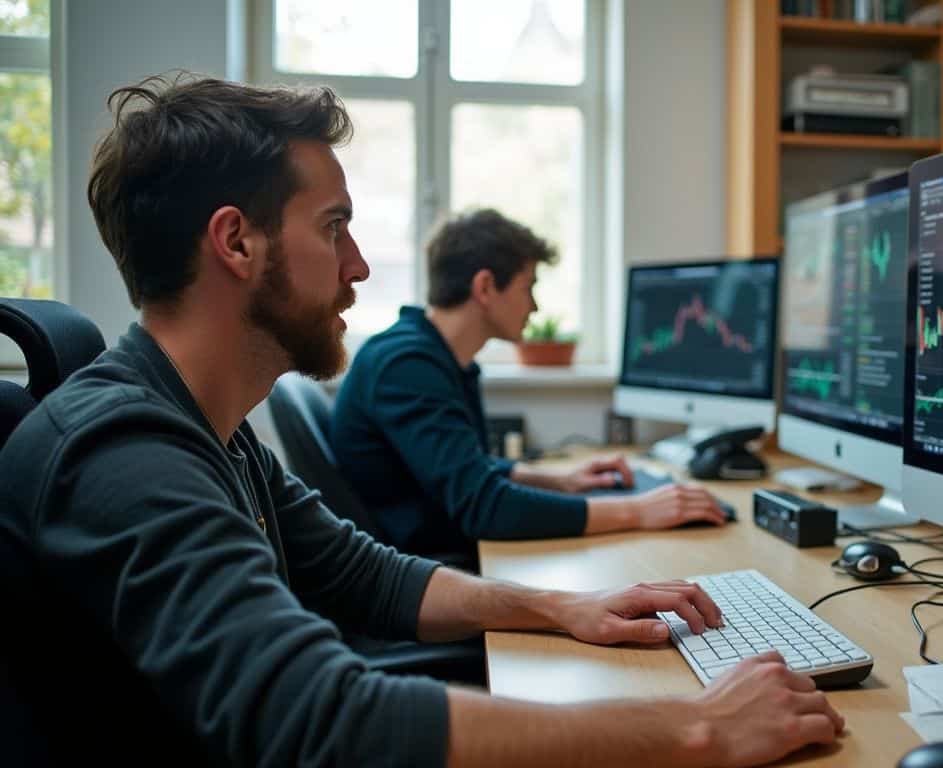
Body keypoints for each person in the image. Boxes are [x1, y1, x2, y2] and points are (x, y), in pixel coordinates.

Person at [0, 74, 842, 766]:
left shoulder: (207, 431)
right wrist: (694, 728)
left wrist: (563, 609)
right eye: (336, 229)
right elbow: (322, 720)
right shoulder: (125, 452)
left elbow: (366, 575)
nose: (361, 267)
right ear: (236, 243)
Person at [330, 209, 726, 557]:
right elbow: (484, 506)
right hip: (427, 570)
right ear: (485, 287)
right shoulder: (407, 366)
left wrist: (562, 481)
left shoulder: (431, 356)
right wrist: (637, 511)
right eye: (528, 287)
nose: (534, 306)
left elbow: (465, 468)